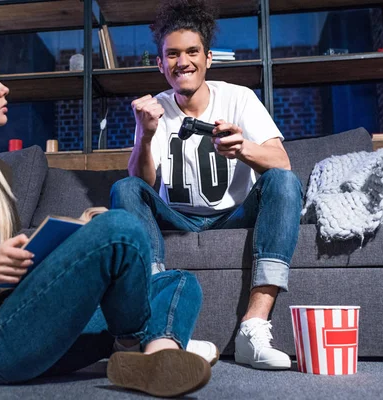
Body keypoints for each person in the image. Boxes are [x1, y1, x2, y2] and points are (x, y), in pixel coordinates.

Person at [0, 32, 212, 398]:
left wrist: (76, 233)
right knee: (121, 227)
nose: (4, 90)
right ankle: (145, 342)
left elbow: (13, 269)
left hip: (22, 317)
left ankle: (154, 356)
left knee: (175, 282)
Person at [110, 0, 303, 370]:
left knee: (282, 181)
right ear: (160, 64)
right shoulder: (154, 109)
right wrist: (145, 135)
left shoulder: (239, 98)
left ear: (208, 58)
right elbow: (142, 185)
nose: (183, 61)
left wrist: (243, 147)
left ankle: (253, 327)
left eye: (192, 51)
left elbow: (283, 163)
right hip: (176, 218)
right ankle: (155, 323)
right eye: (172, 54)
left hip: (233, 214)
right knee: (125, 188)